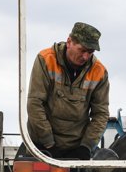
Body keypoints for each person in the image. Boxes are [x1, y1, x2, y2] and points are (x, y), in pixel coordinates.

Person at [26, 22, 110, 160]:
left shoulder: (99, 72)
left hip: (77, 151)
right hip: (42, 147)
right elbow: (35, 103)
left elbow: (101, 114)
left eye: (90, 52)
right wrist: (48, 144)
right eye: (82, 50)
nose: (85, 56)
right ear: (69, 41)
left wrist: (86, 146)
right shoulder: (46, 60)